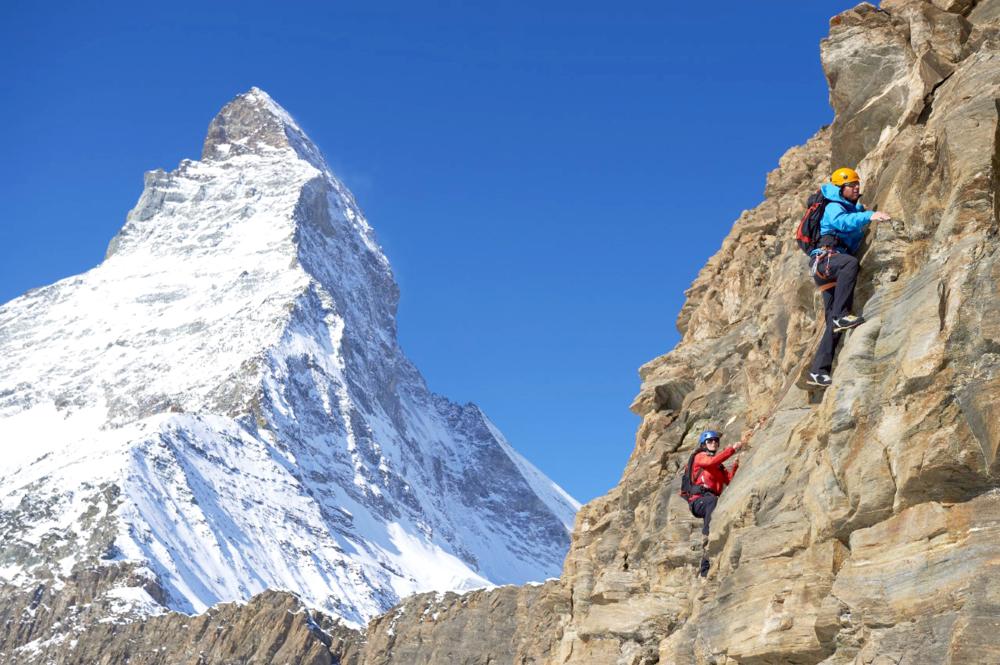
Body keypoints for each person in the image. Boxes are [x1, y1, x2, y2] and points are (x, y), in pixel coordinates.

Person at [807, 167, 891, 388]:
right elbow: (842, 223)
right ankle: (842, 315)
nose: (856, 188)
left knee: (832, 323)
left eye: (857, 184)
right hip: (828, 260)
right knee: (849, 264)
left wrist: (861, 212)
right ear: (839, 189)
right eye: (851, 185)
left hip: (827, 268)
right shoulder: (834, 206)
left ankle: (819, 371)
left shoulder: (850, 207)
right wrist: (869, 215)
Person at [687, 429, 746, 577]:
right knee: (712, 503)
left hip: (711, 500)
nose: (714, 443)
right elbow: (712, 461)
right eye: (710, 441)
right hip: (699, 500)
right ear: (704, 444)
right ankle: (707, 535)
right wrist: (732, 449)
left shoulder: (720, 467)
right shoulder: (700, 457)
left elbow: (729, 480)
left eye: (716, 441)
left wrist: (738, 465)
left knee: (716, 504)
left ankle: (705, 567)